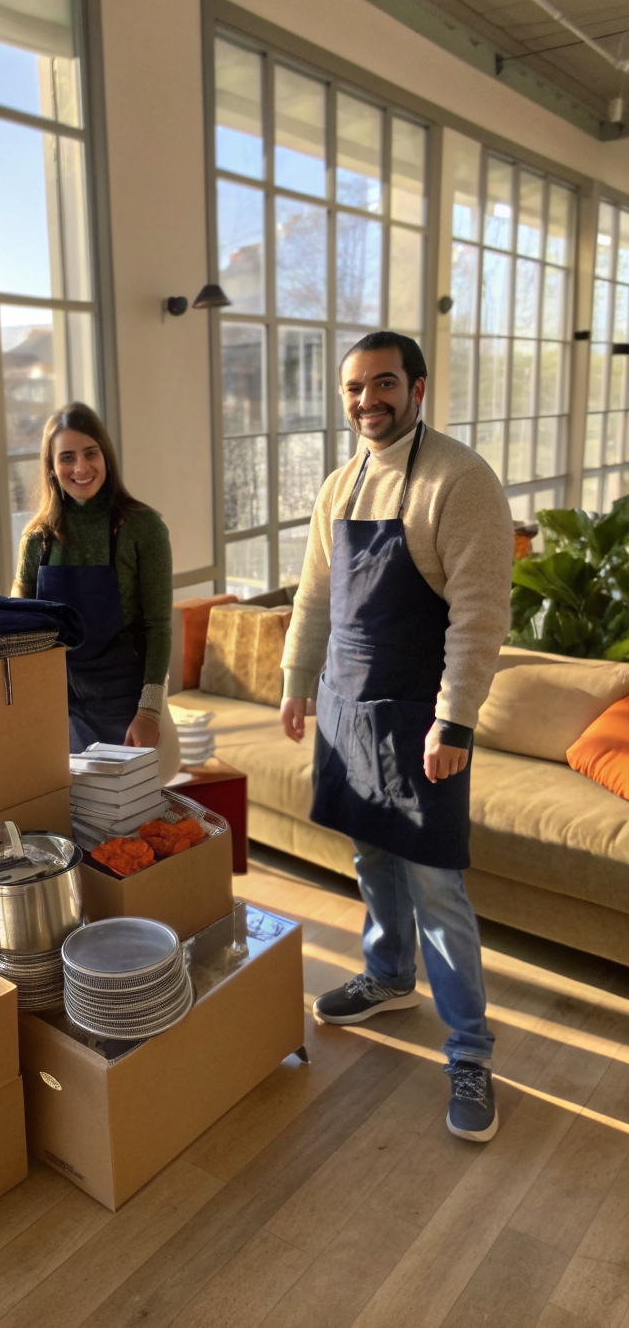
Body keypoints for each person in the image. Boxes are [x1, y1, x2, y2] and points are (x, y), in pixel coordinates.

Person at [281, 331, 513, 1143]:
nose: (366, 400)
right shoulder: (340, 484)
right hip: (347, 709)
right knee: (370, 857)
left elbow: (479, 614)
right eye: (354, 387)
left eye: (383, 383)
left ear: (417, 388)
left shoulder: (460, 479)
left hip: (422, 720)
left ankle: (470, 1048)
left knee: (437, 886)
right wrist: (296, 682)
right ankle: (387, 976)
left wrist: (455, 719)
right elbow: (316, 595)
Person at [12, 402, 179, 773]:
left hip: (129, 707)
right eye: (67, 458)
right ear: (51, 467)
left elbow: (158, 626)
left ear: (106, 456)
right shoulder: (37, 538)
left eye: (90, 453)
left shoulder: (143, 528)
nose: (81, 468)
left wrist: (149, 711)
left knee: (129, 808)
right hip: (63, 709)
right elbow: (18, 624)